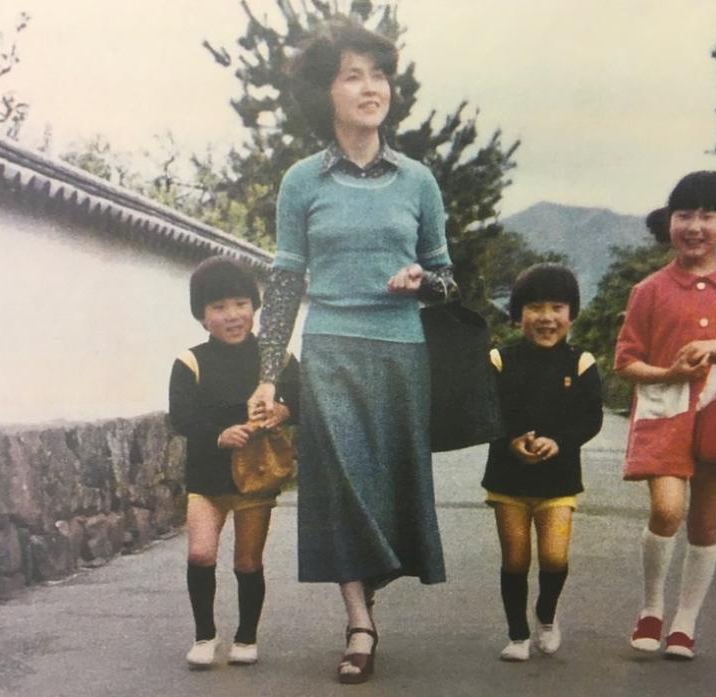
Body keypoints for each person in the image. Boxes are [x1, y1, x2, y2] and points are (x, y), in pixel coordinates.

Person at [247, 19, 458, 684]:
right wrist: (267, 373)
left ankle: (369, 592)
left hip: (401, 349)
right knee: (340, 487)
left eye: (378, 73)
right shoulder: (301, 182)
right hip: (331, 348)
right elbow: (284, 281)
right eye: (352, 75)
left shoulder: (417, 180)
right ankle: (359, 620)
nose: (371, 88)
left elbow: (447, 278)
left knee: (387, 490)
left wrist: (423, 282)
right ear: (326, 92)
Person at [614, 171, 716, 660]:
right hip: (664, 417)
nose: (695, 225)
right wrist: (668, 372)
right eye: (685, 214)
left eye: (707, 215)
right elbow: (625, 361)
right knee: (667, 510)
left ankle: (685, 622)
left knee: (705, 524)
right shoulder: (649, 289)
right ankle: (651, 607)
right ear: (669, 222)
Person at [168, 256, 299, 669]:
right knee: (200, 555)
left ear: (255, 307)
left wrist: (284, 411)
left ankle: (246, 637)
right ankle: (205, 636)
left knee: (248, 561)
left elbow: (303, 400)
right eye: (219, 307)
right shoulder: (189, 362)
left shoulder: (275, 358)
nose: (232, 316)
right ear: (202, 316)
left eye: (241, 303)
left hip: (255, 477)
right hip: (206, 478)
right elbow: (181, 417)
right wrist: (218, 434)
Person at [482, 263, 603, 662]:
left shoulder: (582, 361)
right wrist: (510, 440)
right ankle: (517, 634)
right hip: (507, 478)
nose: (547, 317)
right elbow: (487, 412)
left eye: (557, 307)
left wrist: (561, 441)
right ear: (518, 315)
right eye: (535, 307)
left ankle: (546, 617)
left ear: (572, 314)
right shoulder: (499, 359)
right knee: (515, 559)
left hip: (559, 479)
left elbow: (591, 418)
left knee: (553, 556)